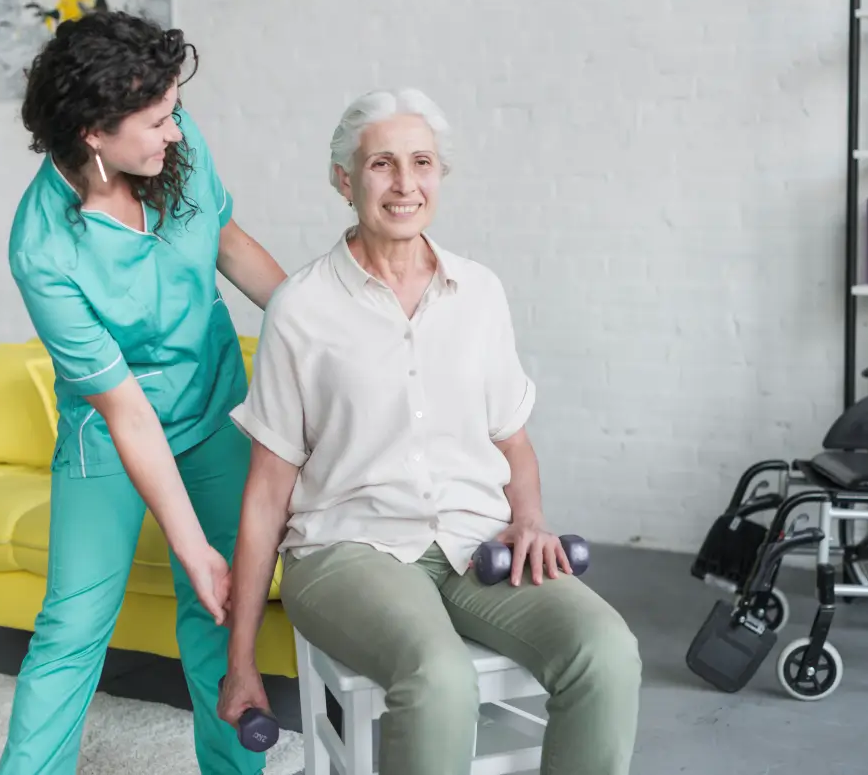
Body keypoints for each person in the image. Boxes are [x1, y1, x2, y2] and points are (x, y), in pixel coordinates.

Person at [217, 87, 642, 774]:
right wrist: (240, 661)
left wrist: (530, 518)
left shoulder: (481, 294)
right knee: (439, 677)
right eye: (382, 163)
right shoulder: (300, 308)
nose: (405, 183)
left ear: (440, 175)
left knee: (606, 650)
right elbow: (268, 491)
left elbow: (515, 443)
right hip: (346, 549)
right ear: (344, 180)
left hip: (477, 538)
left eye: (422, 161)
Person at [0, 11, 286, 775]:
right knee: (73, 626)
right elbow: (124, 407)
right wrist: (190, 546)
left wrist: (315, 325)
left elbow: (225, 239)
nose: (177, 132)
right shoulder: (43, 248)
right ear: (94, 130)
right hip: (112, 438)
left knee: (223, 615)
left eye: (175, 110)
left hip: (215, 407)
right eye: (157, 120)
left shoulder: (172, 145)